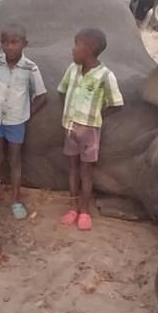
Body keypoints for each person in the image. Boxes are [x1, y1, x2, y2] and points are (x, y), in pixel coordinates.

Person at [0, 24, 47, 219]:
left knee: (14, 160)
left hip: (17, 122)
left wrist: (26, 114)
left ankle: (15, 201)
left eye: (14, 42)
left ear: (25, 44)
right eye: (4, 42)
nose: (9, 47)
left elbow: (41, 95)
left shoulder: (30, 68)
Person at [58, 28, 124, 231]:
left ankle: (84, 211)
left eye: (76, 45)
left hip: (90, 132)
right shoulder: (72, 69)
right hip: (70, 127)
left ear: (88, 49)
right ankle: (72, 207)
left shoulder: (105, 76)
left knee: (86, 172)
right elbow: (62, 91)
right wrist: (71, 111)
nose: (72, 50)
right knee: (72, 169)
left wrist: (96, 117)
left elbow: (116, 103)